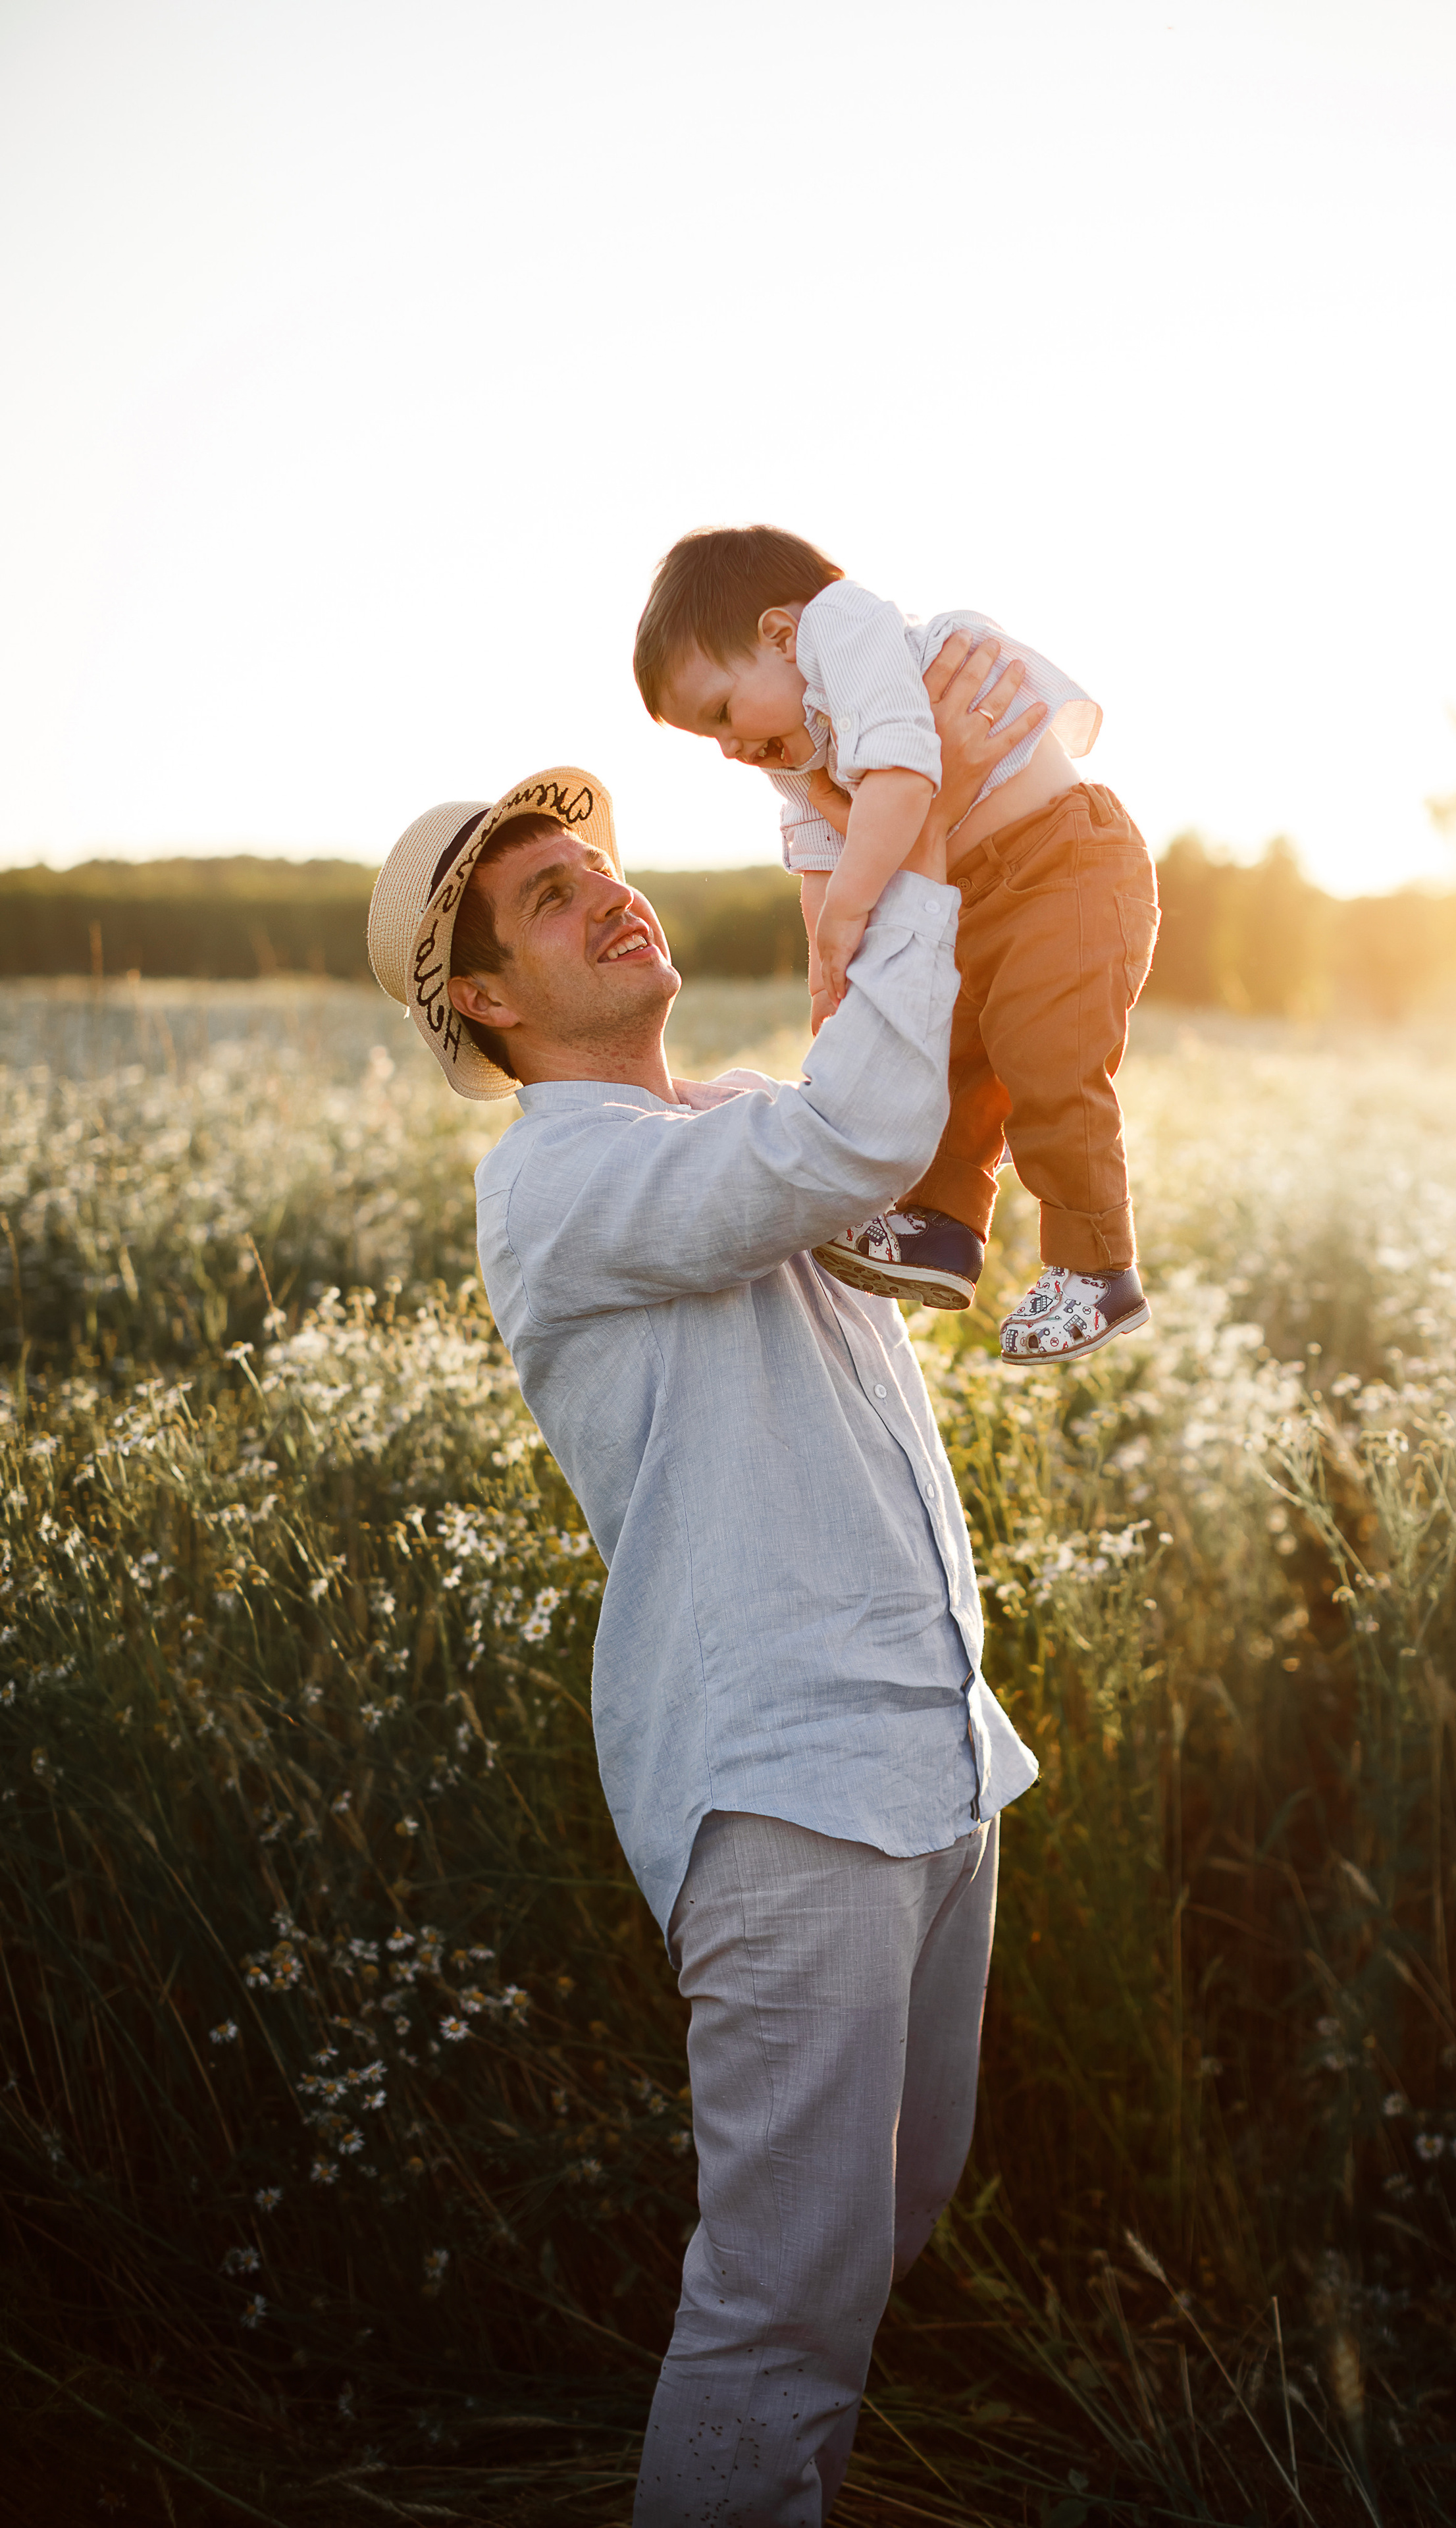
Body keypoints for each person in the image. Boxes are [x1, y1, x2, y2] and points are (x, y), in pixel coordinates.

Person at [364, 637, 1043, 2526]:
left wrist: (908, 801)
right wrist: (879, 824)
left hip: (932, 1759)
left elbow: (920, 1200)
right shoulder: (558, 1185)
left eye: (603, 864)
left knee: (883, 2235)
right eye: (549, 899)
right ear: (490, 1002)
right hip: (787, 1797)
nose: (611, 896)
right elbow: (861, 1135)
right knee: (775, 2317)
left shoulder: (722, 1114)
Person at [634, 525, 1163, 1364]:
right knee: (945, 1056)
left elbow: (907, 779)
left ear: (782, 635)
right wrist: (826, 970)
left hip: (1062, 862)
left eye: (725, 713)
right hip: (972, 890)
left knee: (1047, 1056)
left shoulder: (844, 628)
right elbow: (818, 858)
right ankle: (940, 1224)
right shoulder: (798, 743)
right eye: (713, 741)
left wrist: (850, 915)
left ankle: (1095, 1267)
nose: (732, 749)